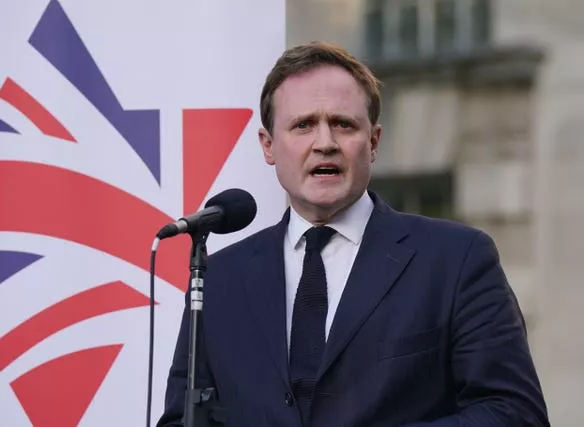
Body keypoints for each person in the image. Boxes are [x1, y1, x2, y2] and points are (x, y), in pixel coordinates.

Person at [157, 41, 550, 426]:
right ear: (268, 145)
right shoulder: (220, 277)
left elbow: (515, 413)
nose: (325, 143)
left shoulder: (457, 260)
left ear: (374, 141)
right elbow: (181, 419)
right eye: (303, 125)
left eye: (343, 125)